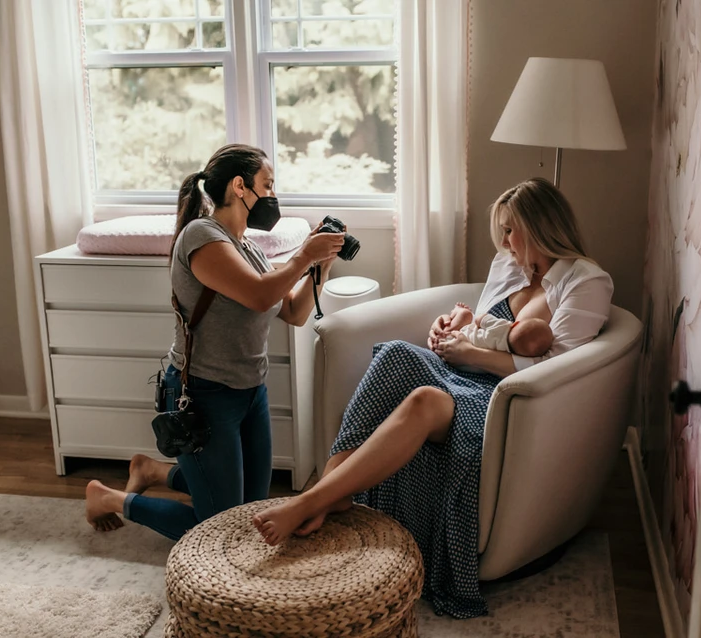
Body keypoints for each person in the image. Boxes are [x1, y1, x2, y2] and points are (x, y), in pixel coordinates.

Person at [251, 177, 614, 618]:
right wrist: (455, 324)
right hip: (464, 370)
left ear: (538, 227)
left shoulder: (585, 280)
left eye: (510, 230)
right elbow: (483, 320)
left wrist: (470, 352)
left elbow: (554, 371)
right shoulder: (511, 267)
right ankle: (334, 488)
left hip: (504, 400)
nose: (504, 241)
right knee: (399, 355)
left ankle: (313, 499)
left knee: (424, 400)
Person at [84, 144, 345, 540]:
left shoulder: (249, 248)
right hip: (205, 393)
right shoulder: (201, 236)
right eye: (268, 185)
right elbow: (259, 295)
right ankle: (109, 498)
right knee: (223, 531)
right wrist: (302, 256)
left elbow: (293, 312)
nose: (273, 195)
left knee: (252, 510)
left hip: (250, 391)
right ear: (240, 187)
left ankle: (153, 470)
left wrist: (321, 263)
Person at [442, 301, 554, 374]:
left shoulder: (502, 326)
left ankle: (453, 319)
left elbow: (479, 319)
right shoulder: (507, 355)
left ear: (515, 324)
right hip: (468, 368)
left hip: (454, 340)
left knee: (466, 315)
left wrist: (474, 318)